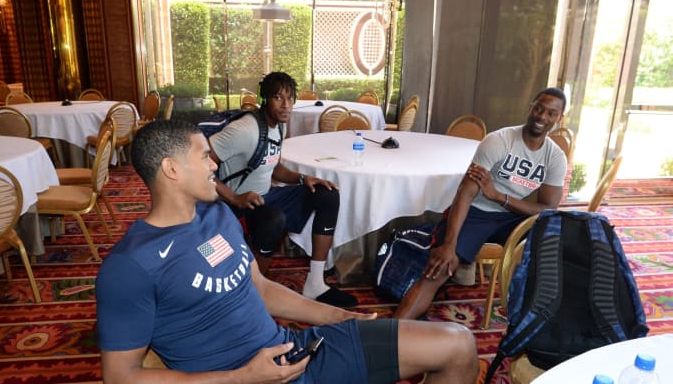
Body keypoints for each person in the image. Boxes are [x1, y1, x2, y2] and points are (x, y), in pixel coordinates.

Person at [96, 120, 479, 384]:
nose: (215, 163)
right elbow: (122, 376)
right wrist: (243, 377)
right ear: (171, 170)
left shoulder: (215, 214)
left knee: (458, 343)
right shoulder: (130, 266)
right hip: (242, 378)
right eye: (203, 156)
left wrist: (339, 317)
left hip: (292, 352)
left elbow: (260, 289)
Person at [393, 87, 568, 320]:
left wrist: (499, 196)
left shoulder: (555, 157)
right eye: (539, 109)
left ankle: (539, 329)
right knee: (438, 270)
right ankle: (390, 334)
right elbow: (465, 193)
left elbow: (547, 209)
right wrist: (449, 243)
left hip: (514, 214)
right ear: (531, 107)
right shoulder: (498, 141)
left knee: (554, 253)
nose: (542, 117)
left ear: (560, 118)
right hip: (478, 211)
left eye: (551, 113)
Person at [208, 71, 357, 308]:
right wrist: (234, 197)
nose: (286, 105)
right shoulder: (244, 130)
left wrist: (303, 179)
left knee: (327, 194)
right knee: (273, 219)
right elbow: (197, 163)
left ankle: (315, 284)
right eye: (278, 98)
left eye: (290, 98)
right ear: (265, 99)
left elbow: (273, 167)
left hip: (263, 197)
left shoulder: (278, 127)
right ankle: (253, 292)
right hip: (233, 203)